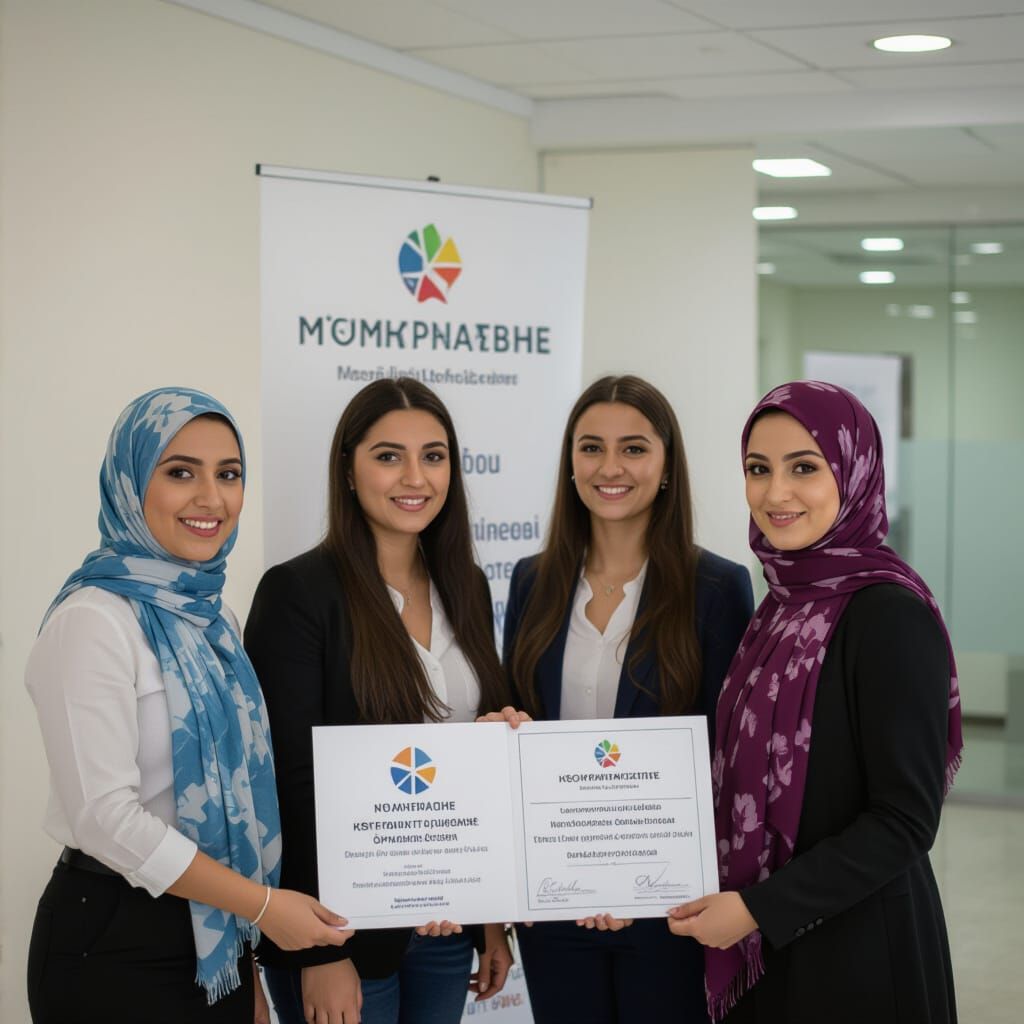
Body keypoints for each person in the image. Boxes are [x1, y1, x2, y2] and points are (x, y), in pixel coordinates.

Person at [25, 388, 352, 1024]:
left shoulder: (213, 616)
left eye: (228, 474)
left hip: (216, 940)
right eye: (180, 472)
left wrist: (247, 968)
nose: (212, 498)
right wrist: (260, 906)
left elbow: (234, 805)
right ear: (128, 481)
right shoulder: (93, 619)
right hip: (114, 939)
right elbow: (105, 818)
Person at [667, 380, 962, 1024]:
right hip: (772, 949)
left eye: (804, 467)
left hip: (857, 955)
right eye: (758, 469)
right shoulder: (779, 604)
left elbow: (905, 820)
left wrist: (757, 909)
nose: (776, 493)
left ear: (854, 473)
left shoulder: (887, 614)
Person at [244, 377, 514, 1024]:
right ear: (347, 468)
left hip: (446, 924)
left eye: (434, 455)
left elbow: (474, 753)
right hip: (343, 932)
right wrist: (318, 952)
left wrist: (492, 919)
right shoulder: (298, 593)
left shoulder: (468, 586)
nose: (414, 476)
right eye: (388, 455)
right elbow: (287, 781)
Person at [500, 375, 754, 1024]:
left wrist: (630, 874)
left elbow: (725, 758)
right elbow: (519, 726)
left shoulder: (717, 588)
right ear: (571, 464)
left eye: (634, 448)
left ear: (667, 466)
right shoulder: (533, 581)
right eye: (591, 448)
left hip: (666, 910)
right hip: (553, 904)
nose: (610, 467)